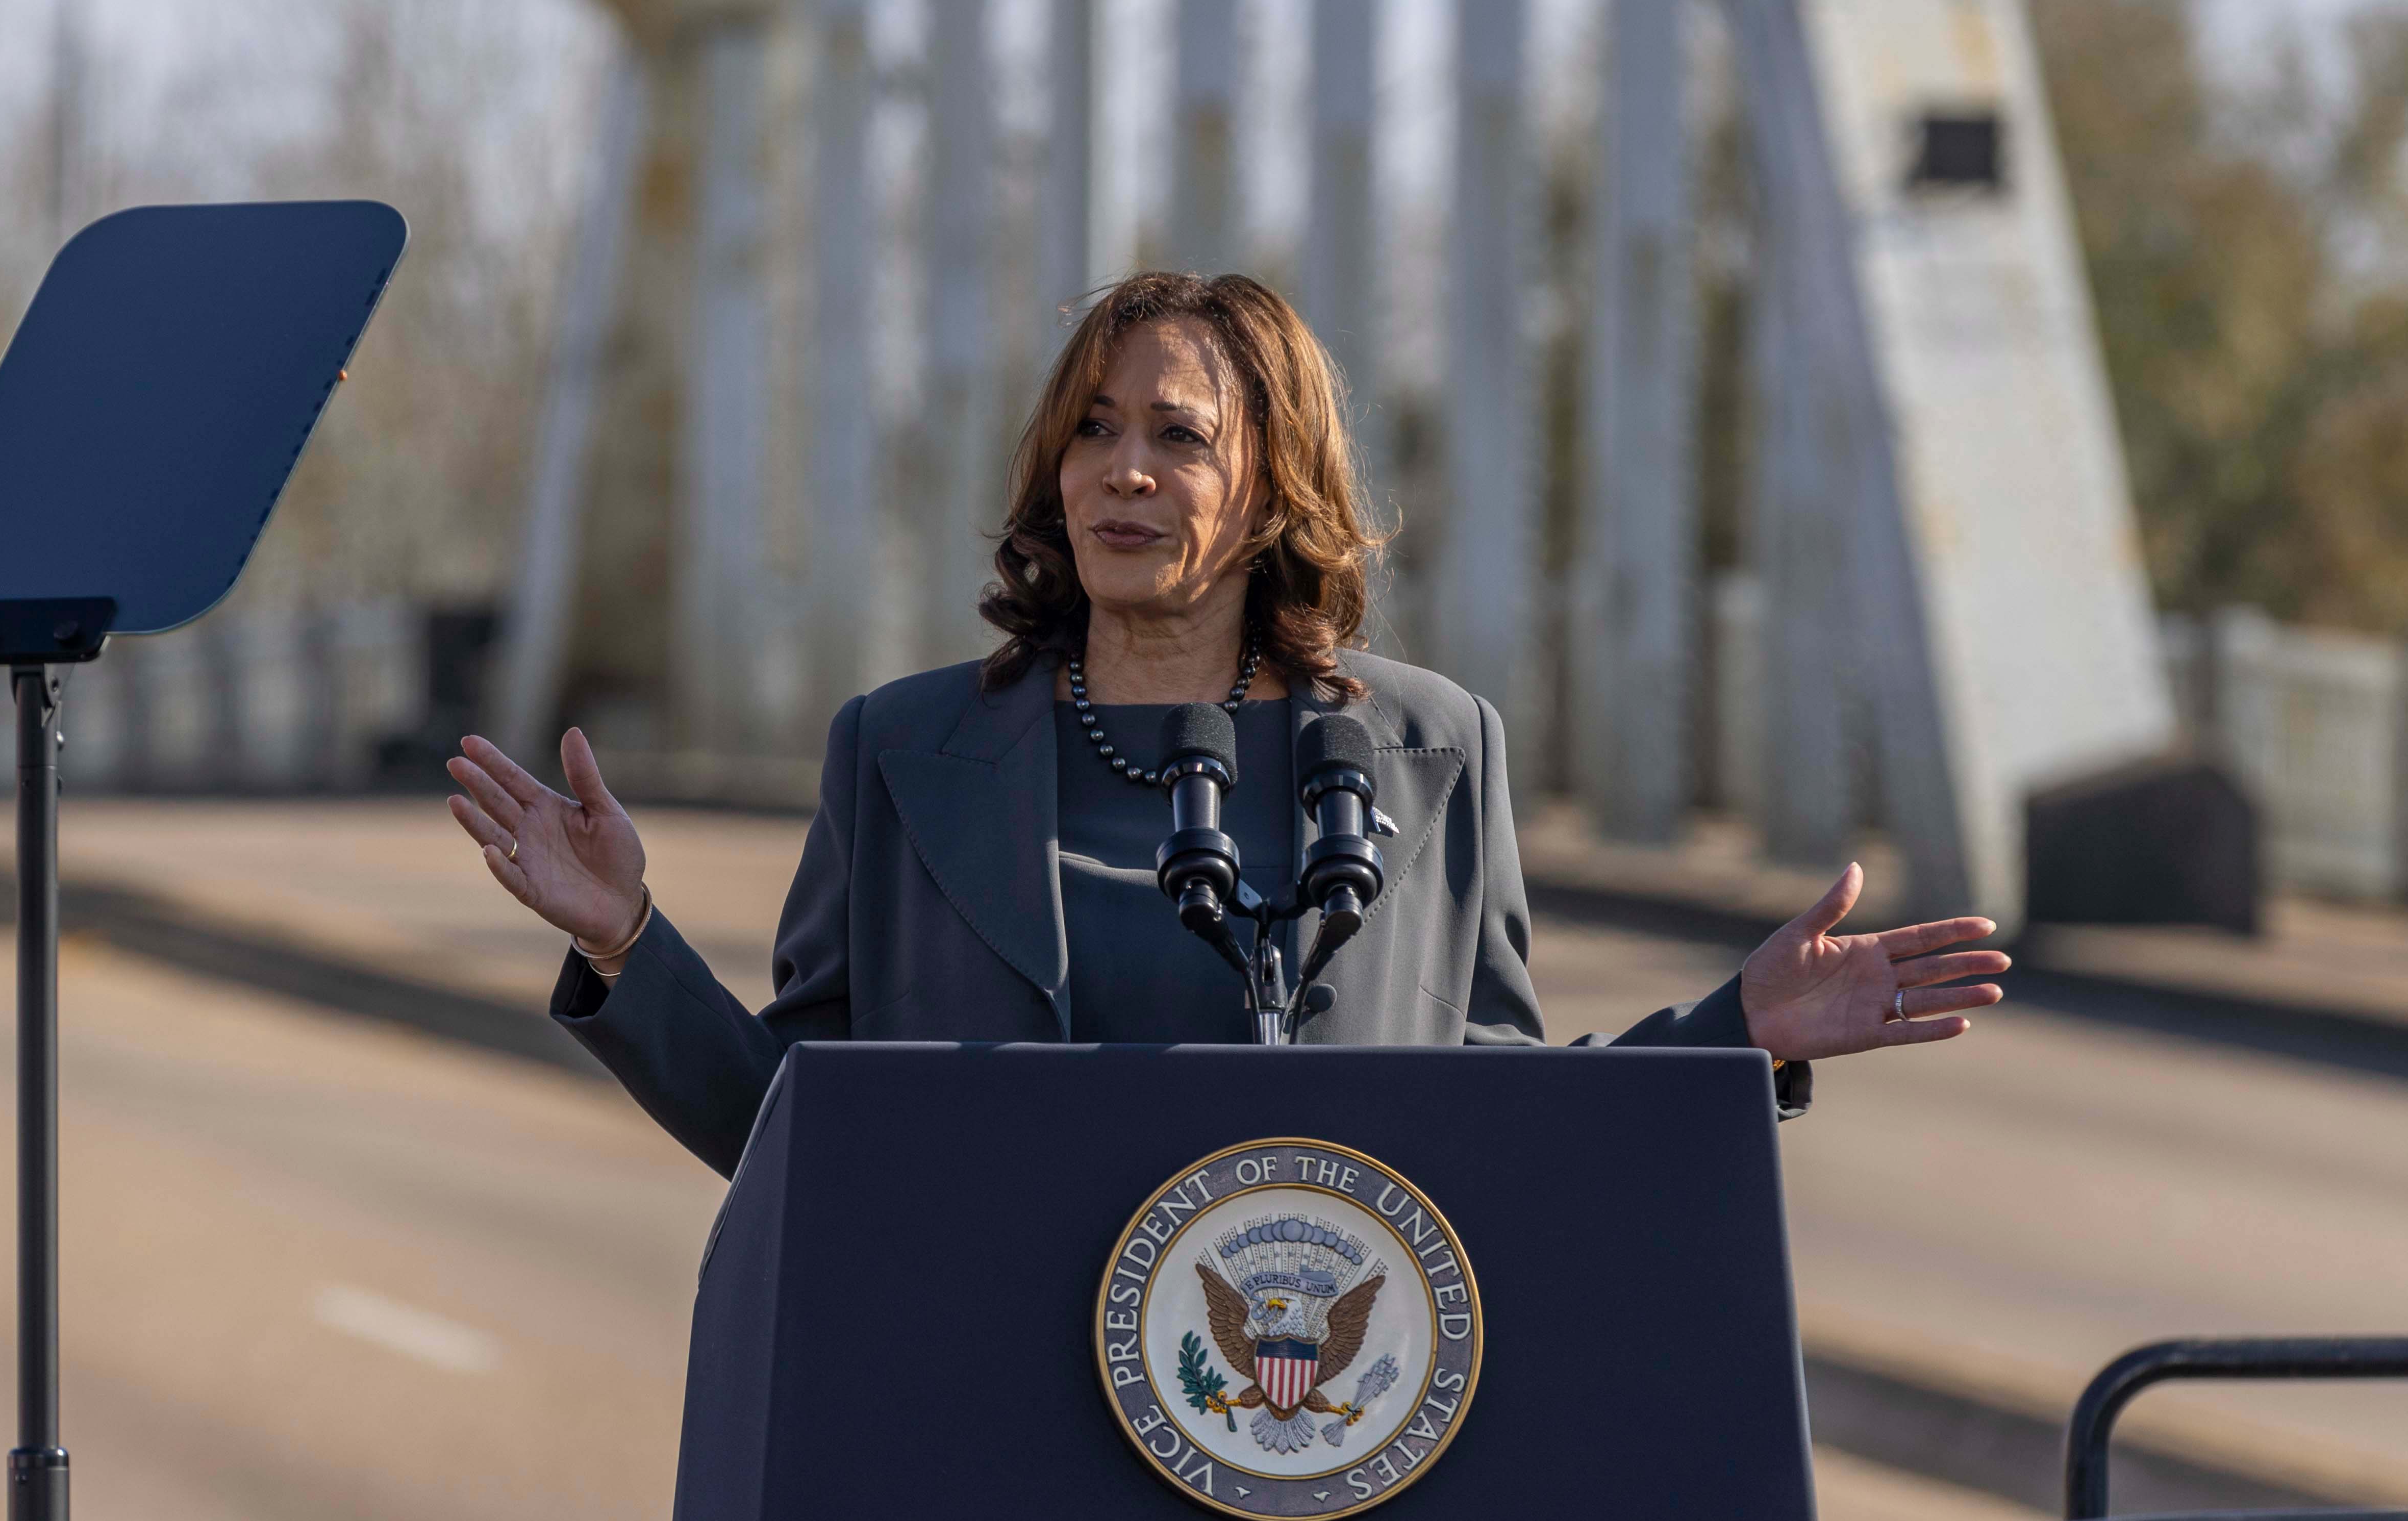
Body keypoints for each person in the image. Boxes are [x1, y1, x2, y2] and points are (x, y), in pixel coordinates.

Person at [446, 271, 2006, 1178]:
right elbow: (797, 1142)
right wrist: (628, 946)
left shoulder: (1431, 751)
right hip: (983, 1432)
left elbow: (1499, 1133)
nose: (1124, 472)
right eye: (1093, 434)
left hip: (1316, 1443)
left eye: (1179, 438)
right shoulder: (905, 753)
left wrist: (1735, 1034)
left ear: (1272, 485)